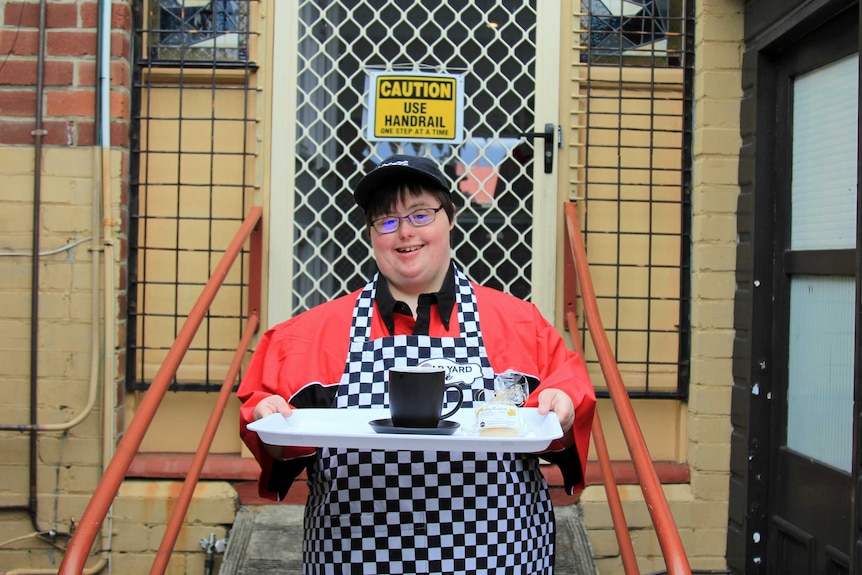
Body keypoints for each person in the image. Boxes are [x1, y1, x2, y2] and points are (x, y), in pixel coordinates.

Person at [238, 154, 596, 574]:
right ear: (372, 235)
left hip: (497, 557)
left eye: (421, 215)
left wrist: (562, 402)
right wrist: (270, 420)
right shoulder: (307, 336)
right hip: (357, 557)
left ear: (451, 218)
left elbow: (567, 407)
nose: (405, 232)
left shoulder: (520, 325)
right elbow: (271, 435)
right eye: (386, 221)